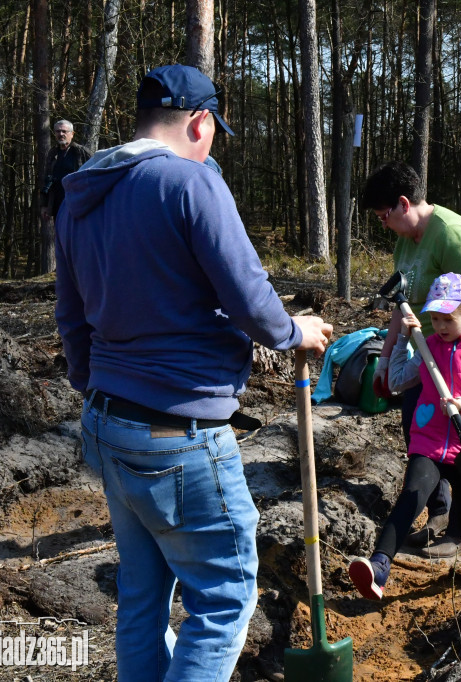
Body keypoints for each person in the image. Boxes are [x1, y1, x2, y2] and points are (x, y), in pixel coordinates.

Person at [54, 64, 333, 682]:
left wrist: (98, 389)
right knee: (225, 599)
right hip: (177, 434)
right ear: (200, 122)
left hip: (107, 422)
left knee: (143, 597)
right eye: (213, 131)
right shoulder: (189, 183)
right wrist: (296, 332)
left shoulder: (79, 195)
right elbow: (249, 296)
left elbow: (71, 319)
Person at [361, 161, 461, 554]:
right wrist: (386, 358)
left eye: (383, 216)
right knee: (418, 425)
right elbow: (403, 305)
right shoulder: (405, 240)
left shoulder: (452, 235)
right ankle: (438, 510)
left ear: (403, 203)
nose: (382, 224)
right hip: (434, 347)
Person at [348, 273, 461, 598]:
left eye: (448, 319)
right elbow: (398, 381)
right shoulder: (429, 349)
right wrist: (403, 339)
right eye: (435, 319)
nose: (440, 326)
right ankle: (380, 566)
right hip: (428, 442)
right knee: (412, 496)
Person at [41, 120, 91, 220]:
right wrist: (44, 205)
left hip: (78, 203)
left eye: (64, 131)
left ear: (72, 134)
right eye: (58, 131)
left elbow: (93, 176)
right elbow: (46, 180)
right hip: (57, 204)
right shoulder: (52, 153)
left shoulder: (81, 152)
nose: (61, 134)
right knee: (60, 234)